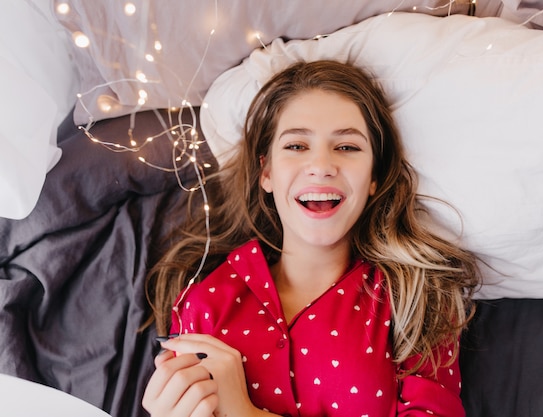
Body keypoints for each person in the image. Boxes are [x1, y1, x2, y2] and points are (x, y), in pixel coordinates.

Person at [142, 60, 481, 417]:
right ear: (267, 173)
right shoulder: (203, 303)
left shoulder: (417, 300)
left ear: (373, 179)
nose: (321, 165)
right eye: (297, 146)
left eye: (347, 147)